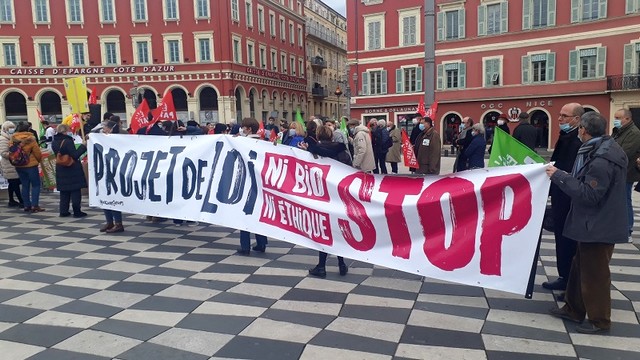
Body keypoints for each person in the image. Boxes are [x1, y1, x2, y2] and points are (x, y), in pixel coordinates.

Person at [546, 111, 628, 334]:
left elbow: (590, 194)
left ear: (583, 129)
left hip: (599, 224)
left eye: (579, 127)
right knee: (579, 267)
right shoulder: (600, 149)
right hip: (592, 223)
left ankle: (600, 321)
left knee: (595, 274)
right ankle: (573, 308)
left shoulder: (602, 159)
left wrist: (560, 176)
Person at [543, 103, 584, 292]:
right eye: (559, 115)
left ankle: (570, 282)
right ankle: (563, 276)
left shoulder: (577, 141)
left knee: (568, 240)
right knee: (561, 237)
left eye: (564, 116)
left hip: (569, 196)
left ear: (577, 119)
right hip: (560, 192)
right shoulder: (566, 136)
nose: (560, 119)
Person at [303, 125, 350, 277]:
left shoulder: (314, 153)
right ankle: (341, 264)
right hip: (339, 196)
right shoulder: (342, 151)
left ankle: (322, 266)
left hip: (322, 196)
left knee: (324, 231)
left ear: (318, 136)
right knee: (337, 231)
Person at [236, 118, 268, 255]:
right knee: (258, 214)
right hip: (261, 184)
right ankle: (261, 243)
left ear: (249, 129)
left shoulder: (243, 143)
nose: (242, 130)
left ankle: (245, 246)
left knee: (245, 215)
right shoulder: (265, 143)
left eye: (244, 128)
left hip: (246, 183)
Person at [611, 108, 640, 237]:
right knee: (618, 200)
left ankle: (627, 230)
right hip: (617, 170)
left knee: (625, 200)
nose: (615, 120)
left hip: (626, 172)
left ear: (627, 119)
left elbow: (625, 152)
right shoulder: (618, 131)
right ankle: (619, 226)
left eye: (618, 118)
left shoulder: (634, 133)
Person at [51, 124, 88, 218]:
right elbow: (75, 155)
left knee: (64, 192)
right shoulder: (67, 141)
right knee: (75, 190)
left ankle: (63, 211)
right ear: (65, 131)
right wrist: (83, 146)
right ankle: (77, 211)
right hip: (72, 168)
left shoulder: (54, 141)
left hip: (61, 168)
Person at [99, 121, 125, 233]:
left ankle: (118, 223)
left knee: (114, 197)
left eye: (104, 128)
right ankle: (109, 221)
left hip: (116, 170)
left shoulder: (118, 138)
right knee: (105, 197)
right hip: (105, 170)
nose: (103, 130)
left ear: (110, 128)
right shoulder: (103, 138)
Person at [11, 122, 43, 212]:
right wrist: (39, 161)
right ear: (28, 129)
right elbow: (37, 153)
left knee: (25, 185)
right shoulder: (31, 139)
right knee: (36, 185)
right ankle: (34, 205)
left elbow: (11, 151)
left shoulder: (13, 138)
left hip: (18, 165)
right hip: (31, 165)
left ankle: (26, 205)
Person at [0, 121, 23, 207]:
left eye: (13, 127)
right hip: (8, 164)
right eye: (10, 128)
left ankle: (11, 200)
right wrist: (14, 155)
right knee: (15, 182)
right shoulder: (3, 139)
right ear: (5, 129)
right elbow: (3, 152)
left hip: (12, 164)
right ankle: (21, 201)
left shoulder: (10, 137)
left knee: (12, 183)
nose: (12, 129)